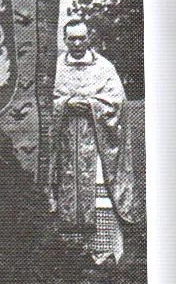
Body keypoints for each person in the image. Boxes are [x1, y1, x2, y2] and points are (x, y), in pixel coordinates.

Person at [48, 18, 141, 264]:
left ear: (89, 38)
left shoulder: (104, 67)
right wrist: (66, 104)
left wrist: (90, 105)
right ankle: (70, 251)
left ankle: (104, 249)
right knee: (66, 188)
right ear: (64, 40)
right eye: (72, 39)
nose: (77, 43)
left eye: (81, 38)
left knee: (100, 191)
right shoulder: (55, 68)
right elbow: (47, 101)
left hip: (98, 142)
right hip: (66, 142)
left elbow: (118, 101)